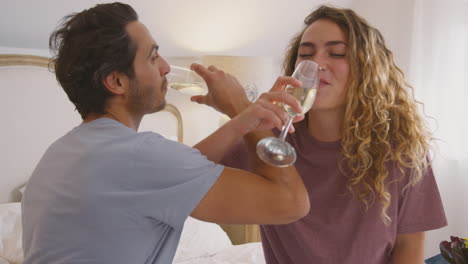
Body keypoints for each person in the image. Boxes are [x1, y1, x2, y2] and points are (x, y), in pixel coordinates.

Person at [21, 2, 311, 264]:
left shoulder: (64, 151)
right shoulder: (141, 157)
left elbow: (175, 168)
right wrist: (238, 106)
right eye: (153, 57)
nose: (165, 67)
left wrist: (241, 121)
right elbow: (291, 204)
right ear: (117, 81)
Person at [213, 5, 448, 264]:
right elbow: (176, 178)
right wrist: (240, 118)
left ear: (366, 69)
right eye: (305, 54)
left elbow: (408, 247)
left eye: (337, 53)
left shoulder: (401, 148)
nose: (316, 63)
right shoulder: (271, 142)